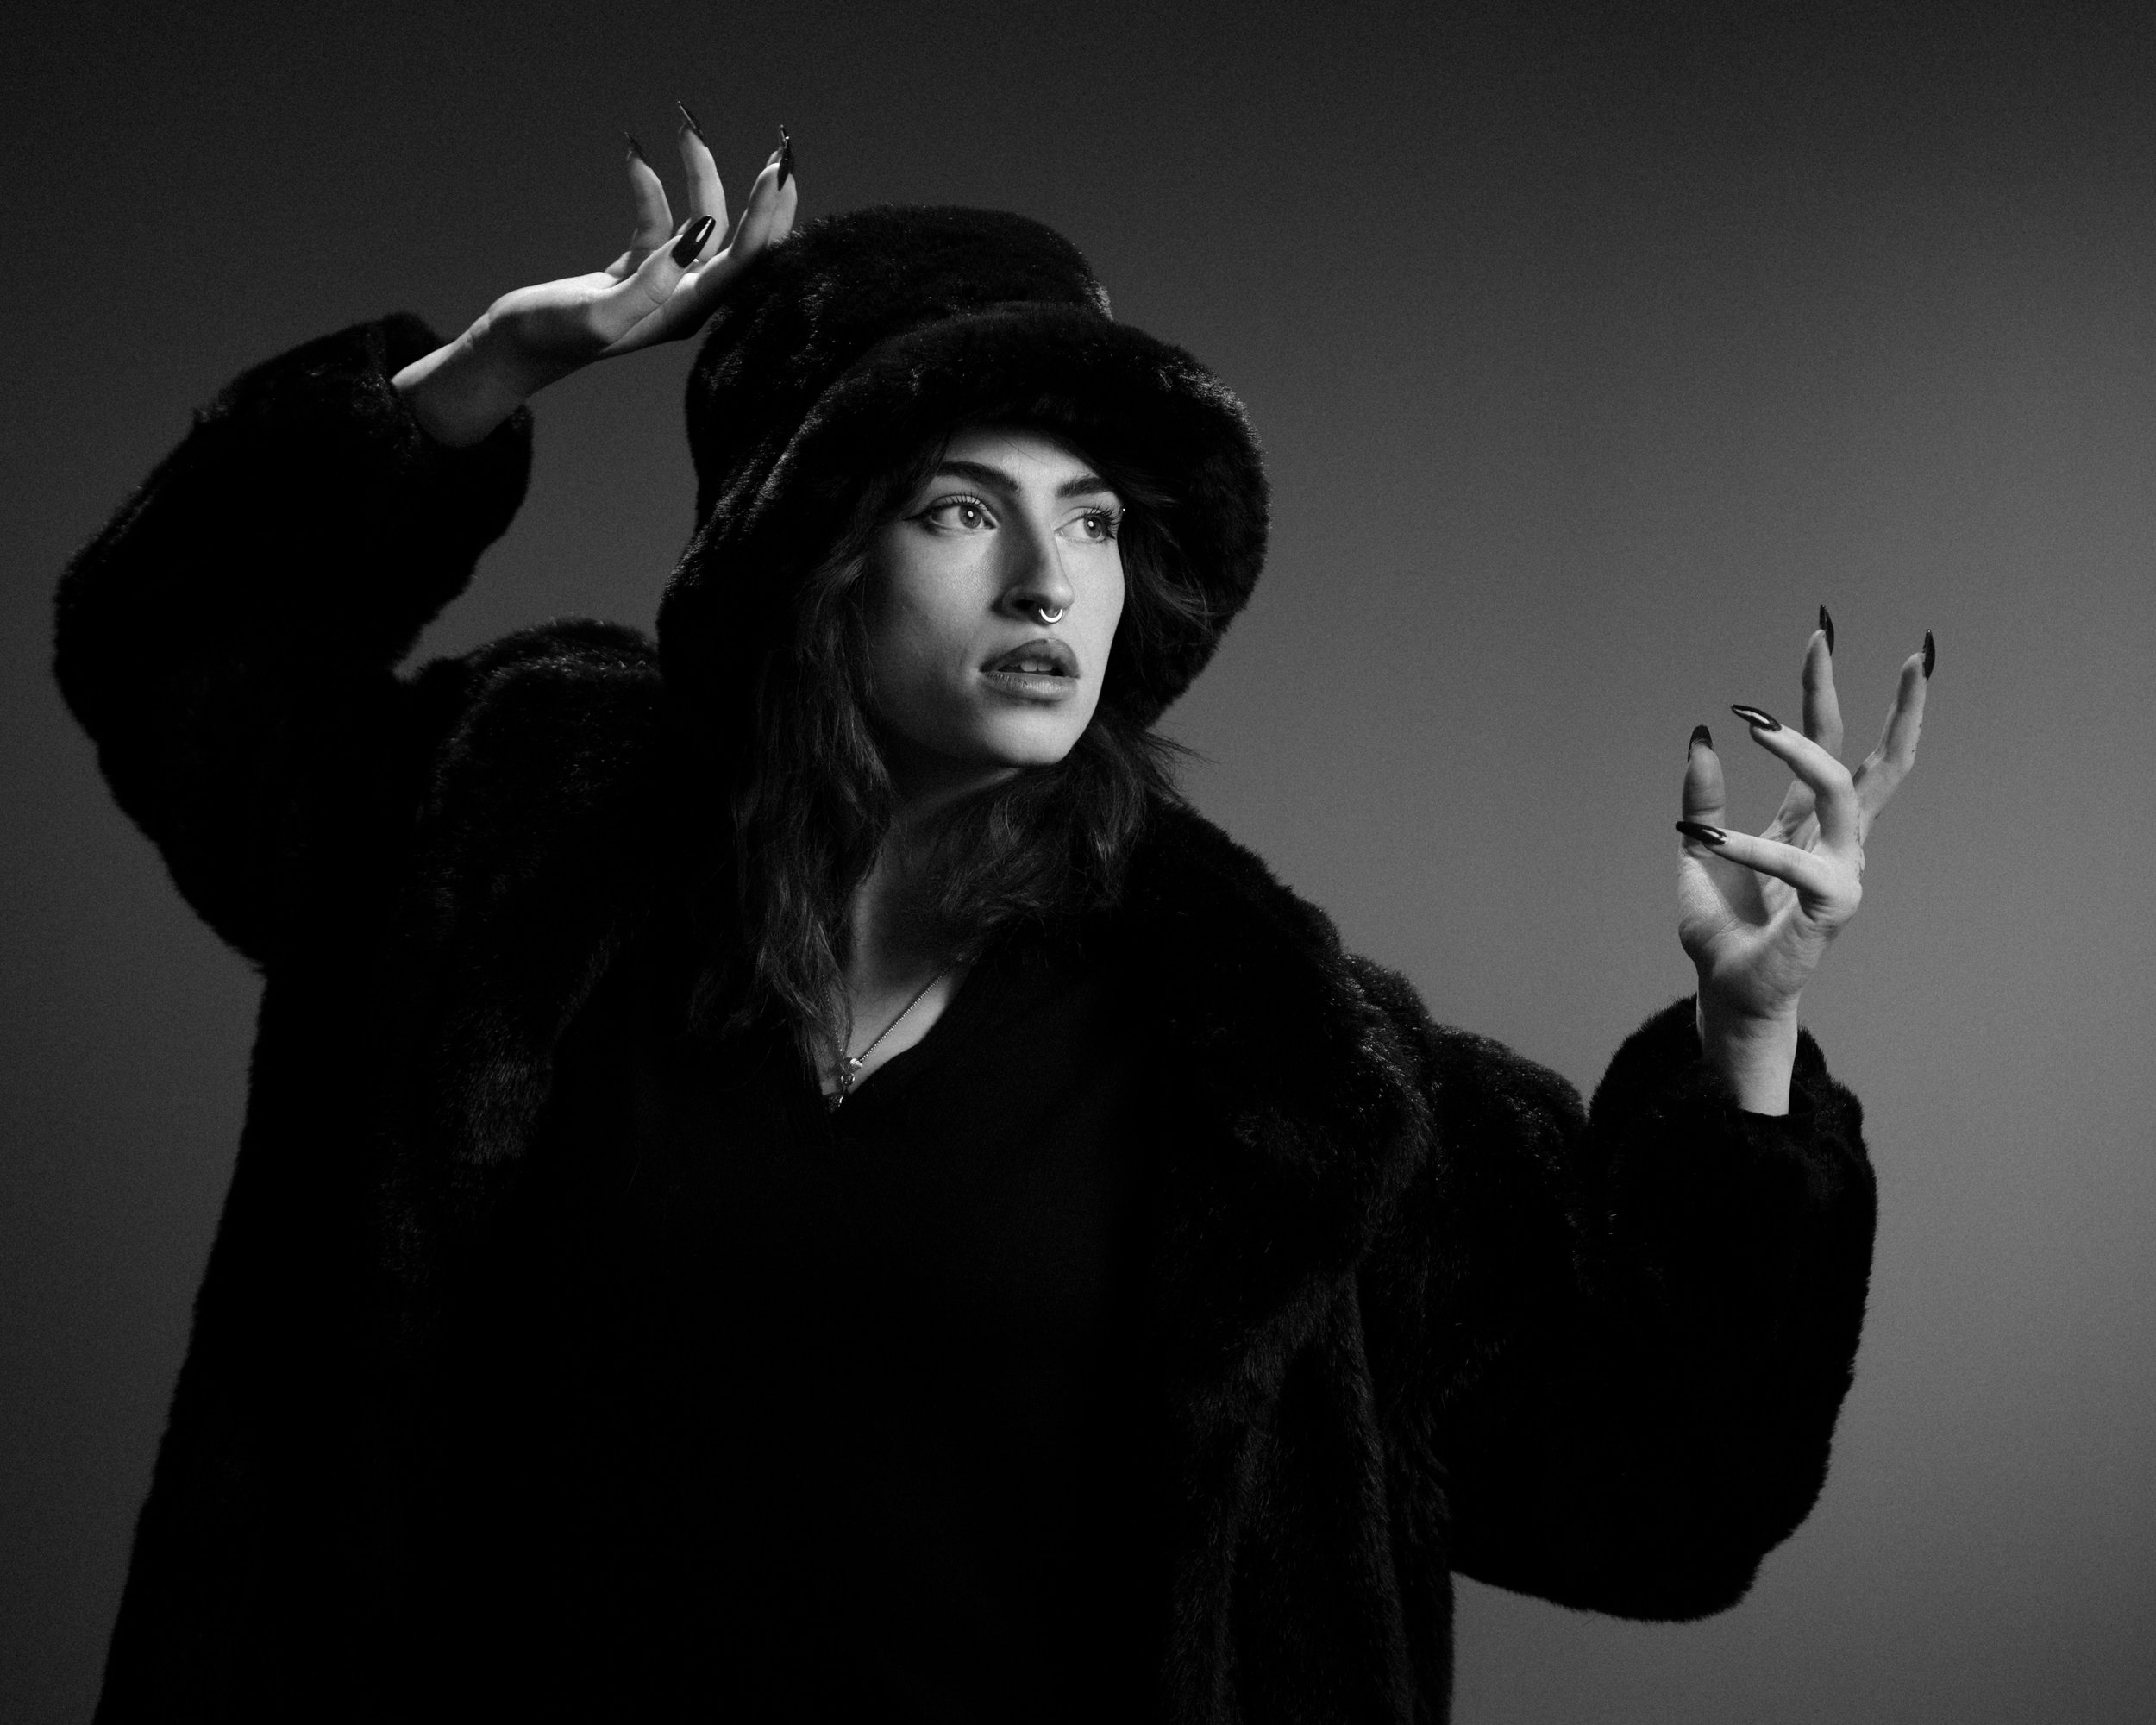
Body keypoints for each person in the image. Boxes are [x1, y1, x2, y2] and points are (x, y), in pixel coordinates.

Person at [56, 116, 1928, 1724]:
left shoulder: (1269, 1056)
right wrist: (491, 368)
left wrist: (1739, 1047)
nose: (1051, 576)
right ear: (809, 551)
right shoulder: (505, 847)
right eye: (963, 507)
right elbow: (179, 660)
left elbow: (1656, 1496)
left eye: (1096, 517)